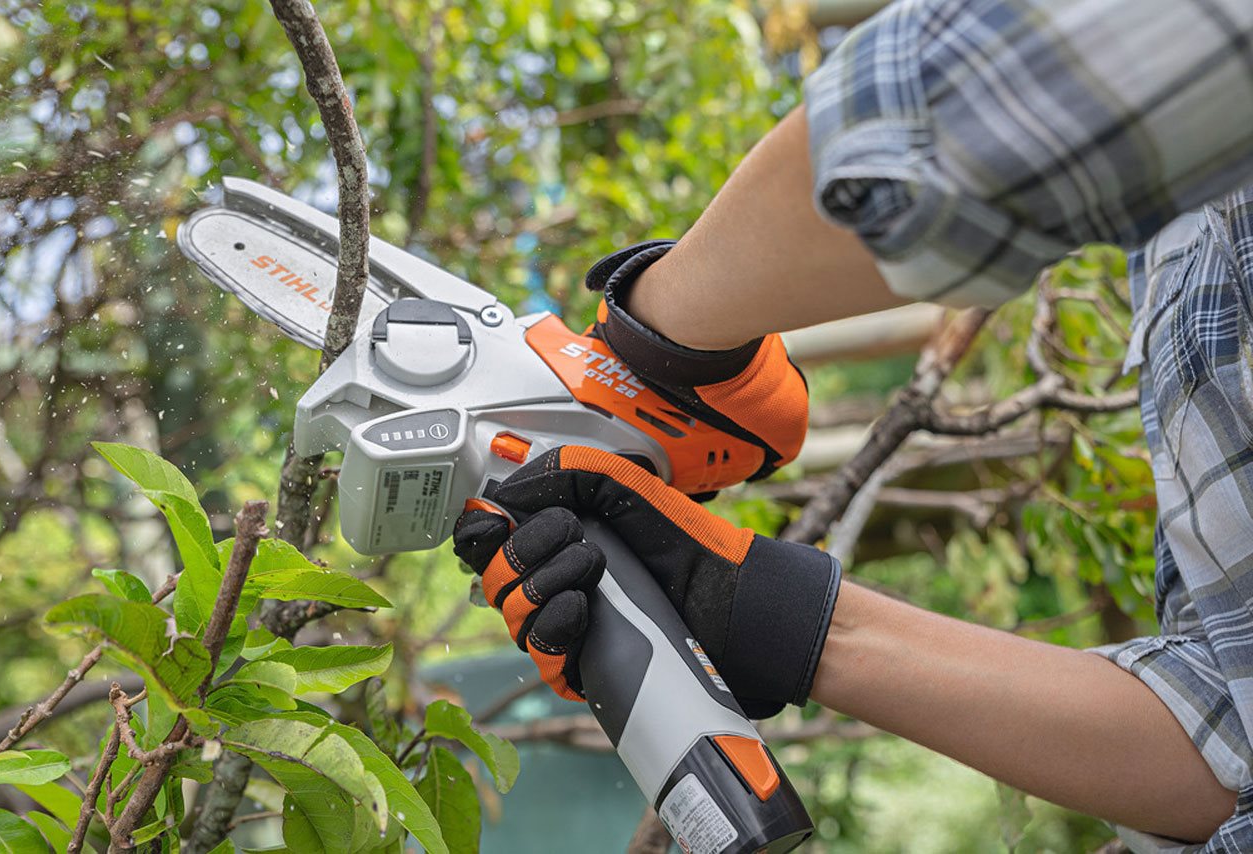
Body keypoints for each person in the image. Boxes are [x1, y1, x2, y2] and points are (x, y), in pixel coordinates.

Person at [453, 0, 1253, 849]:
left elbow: (973, 104)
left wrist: (651, 352)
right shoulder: (1184, 224)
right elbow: (1223, 748)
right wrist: (763, 610)